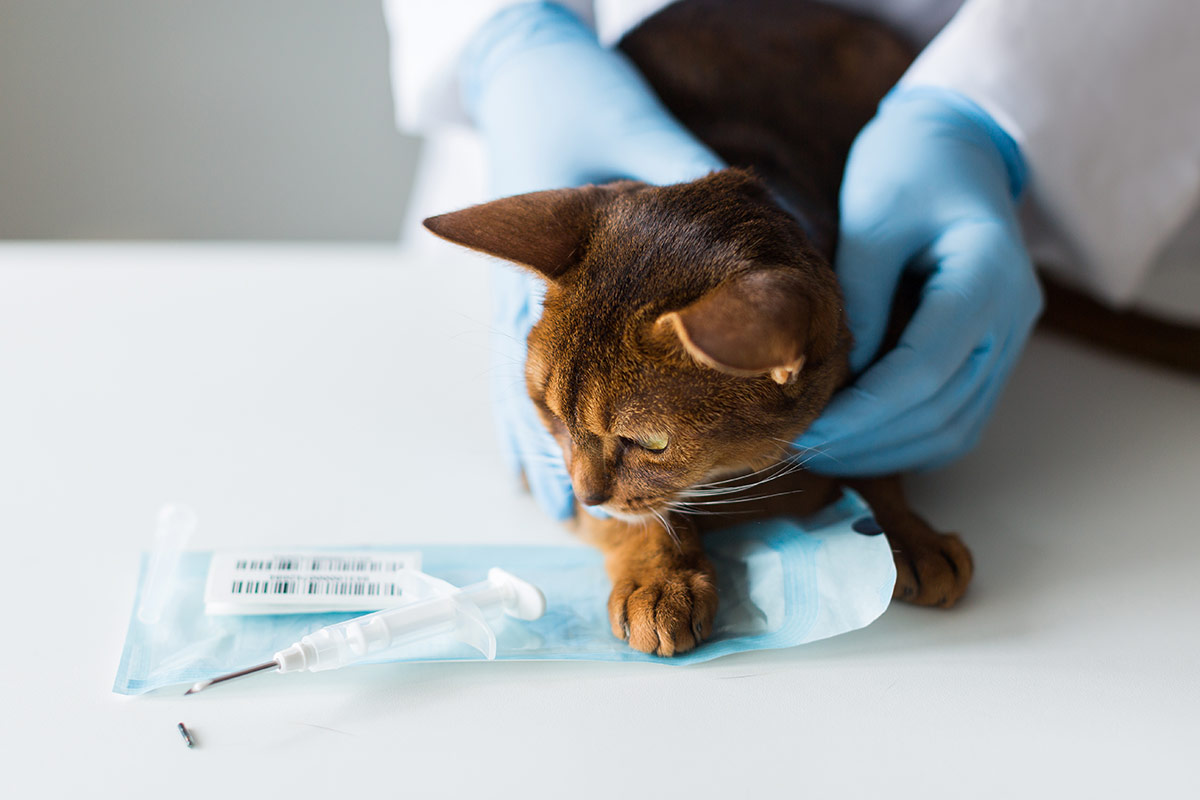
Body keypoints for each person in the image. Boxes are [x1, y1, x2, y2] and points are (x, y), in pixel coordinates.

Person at [383, 0, 1200, 520]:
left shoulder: (749, 338)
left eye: (636, 447)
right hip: (587, 98)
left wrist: (997, 105)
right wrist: (504, 35)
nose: (588, 489)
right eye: (559, 421)